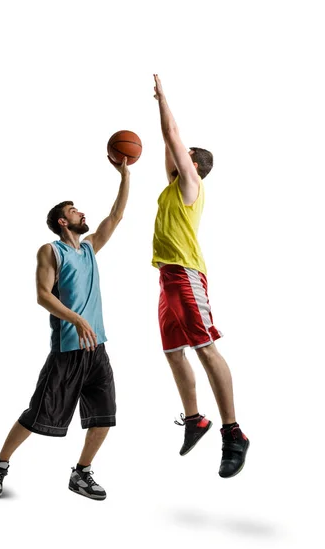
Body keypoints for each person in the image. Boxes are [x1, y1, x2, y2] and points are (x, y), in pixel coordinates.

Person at [0, 156, 130, 500]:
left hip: (97, 349)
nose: (83, 213)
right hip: (67, 350)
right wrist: (77, 319)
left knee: (104, 416)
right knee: (38, 415)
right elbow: (42, 296)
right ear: (64, 221)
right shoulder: (51, 251)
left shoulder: (91, 248)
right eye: (75, 210)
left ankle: (81, 473)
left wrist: (125, 176)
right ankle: (0, 464)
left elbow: (116, 216)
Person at [152, 74, 249, 478]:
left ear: (193, 163)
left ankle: (234, 433)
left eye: (182, 154)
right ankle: (196, 420)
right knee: (174, 352)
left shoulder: (191, 183)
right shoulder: (173, 186)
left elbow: (171, 133)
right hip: (167, 277)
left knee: (205, 348)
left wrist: (162, 97)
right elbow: (167, 142)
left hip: (187, 274)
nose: (175, 155)